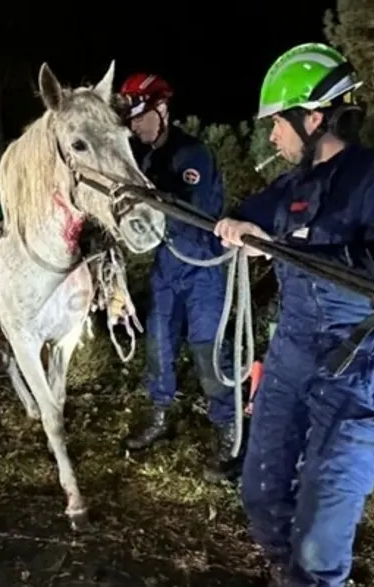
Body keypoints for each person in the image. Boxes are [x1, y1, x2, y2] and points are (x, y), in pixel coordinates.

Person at [212, 43, 374, 586]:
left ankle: (314, 578)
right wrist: (231, 226)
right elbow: (245, 217)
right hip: (290, 355)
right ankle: (289, 573)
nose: (272, 137)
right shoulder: (291, 187)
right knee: (261, 495)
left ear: (313, 118)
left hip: (354, 366)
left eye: (277, 124)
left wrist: (284, 248)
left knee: (320, 533)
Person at [116, 72, 239, 481]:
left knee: (207, 351)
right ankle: (160, 413)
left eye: (140, 117)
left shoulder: (192, 154)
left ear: (162, 110)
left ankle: (228, 426)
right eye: (132, 121)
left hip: (202, 266)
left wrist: (152, 194)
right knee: (158, 343)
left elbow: (195, 210)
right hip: (167, 266)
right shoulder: (147, 158)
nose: (136, 127)